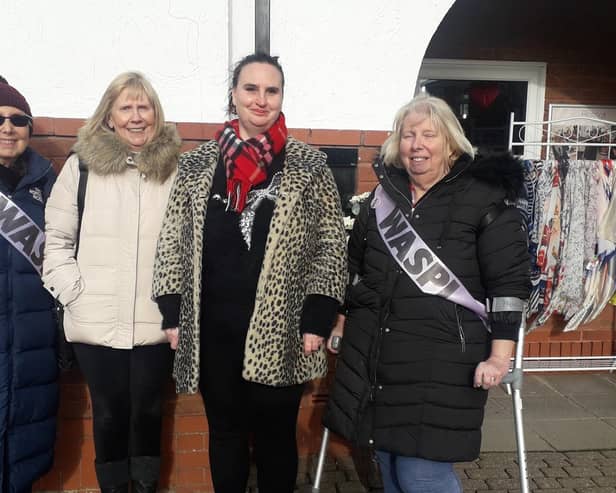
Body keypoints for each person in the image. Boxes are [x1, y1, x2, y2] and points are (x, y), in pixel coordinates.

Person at [152, 52, 347, 493]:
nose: (261, 100)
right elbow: (172, 240)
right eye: (251, 89)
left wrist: (318, 316)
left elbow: (330, 245)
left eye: (271, 90)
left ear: (281, 97)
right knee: (225, 434)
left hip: (283, 330)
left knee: (277, 437)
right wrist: (173, 311)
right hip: (214, 330)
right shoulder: (198, 164)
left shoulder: (308, 166)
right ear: (234, 95)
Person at [323, 94, 530, 493]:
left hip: (442, 360)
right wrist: (343, 322)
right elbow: (357, 268)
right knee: (387, 465)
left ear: (450, 142)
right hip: (378, 357)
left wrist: (500, 355)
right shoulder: (382, 198)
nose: (417, 145)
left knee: (421, 474)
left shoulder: (482, 197)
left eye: (428, 135)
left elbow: (508, 283)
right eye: (408, 135)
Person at [42, 72, 180, 493]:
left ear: (156, 114)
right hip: (95, 319)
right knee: (108, 413)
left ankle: (145, 487)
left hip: (156, 321)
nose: (137, 117)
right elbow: (58, 241)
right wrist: (76, 295)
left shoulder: (174, 170)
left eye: (145, 107)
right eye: (127, 108)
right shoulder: (80, 168)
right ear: (109, 117)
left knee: (149, 411)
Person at [0, 82, 58, 493]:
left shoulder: (48, 185)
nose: (7, 128)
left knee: (24, 457)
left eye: (18, 120)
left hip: (33, 344)